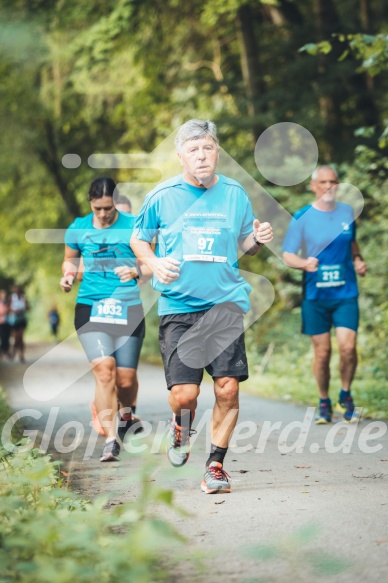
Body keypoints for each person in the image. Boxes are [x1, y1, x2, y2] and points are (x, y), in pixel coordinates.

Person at [131, 119, 273, 494]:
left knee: (227, 389)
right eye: (193, 150)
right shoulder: (162, 196)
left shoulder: (234, 193)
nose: (201, 155)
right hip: (178, 306)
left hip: (224, 305)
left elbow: (244, 244)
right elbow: (139, 239)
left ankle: (215, 465)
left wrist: (256, 240)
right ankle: (181, 426)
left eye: (207, 148)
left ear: (217, 152)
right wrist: (155, 263)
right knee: (186, 395)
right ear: (181, 156)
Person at [60, 177, 150, 462]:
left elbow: (150, 263)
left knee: (125, 380)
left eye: (108, 208)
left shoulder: (134, 225)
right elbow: (69, 259)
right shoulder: (78, 228)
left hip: (127, 308)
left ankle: (126, 413)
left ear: (115, 203)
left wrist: (138, 273)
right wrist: (68, 275)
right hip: (91, 307)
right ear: (90, 203)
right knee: (104, 370)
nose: (103, 214)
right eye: (97, 208)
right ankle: (111, 439)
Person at [282, 165, 367, 424]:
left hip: (345, 293)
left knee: (348, 348)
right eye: (323, 182)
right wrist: (304, 263)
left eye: (333, 181)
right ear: (314, 186)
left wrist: (357, 257)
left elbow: (351, 238)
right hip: (315, 296)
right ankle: (323, 400)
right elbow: (288, 255)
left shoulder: (346, 212)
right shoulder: (302, 216)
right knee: (323, 353)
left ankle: (345, 394)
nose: (329, 186)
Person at [9, 285, 29, 362]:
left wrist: (23, 309)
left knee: (20, 337)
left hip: (22, 319)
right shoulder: (12, 298)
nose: (18, 291)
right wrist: (14, 310)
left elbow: (28, 308)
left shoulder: (24, 298)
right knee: (16, 337)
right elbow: (8, 308)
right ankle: (14, 350)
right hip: (14, 320)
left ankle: (21, 354)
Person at [0, 289, 11, 358]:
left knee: (7, 337)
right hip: (1, 323)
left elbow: (9, 311)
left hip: (7, 322)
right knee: (2, 337)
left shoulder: (8, 303)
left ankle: (5, 351)